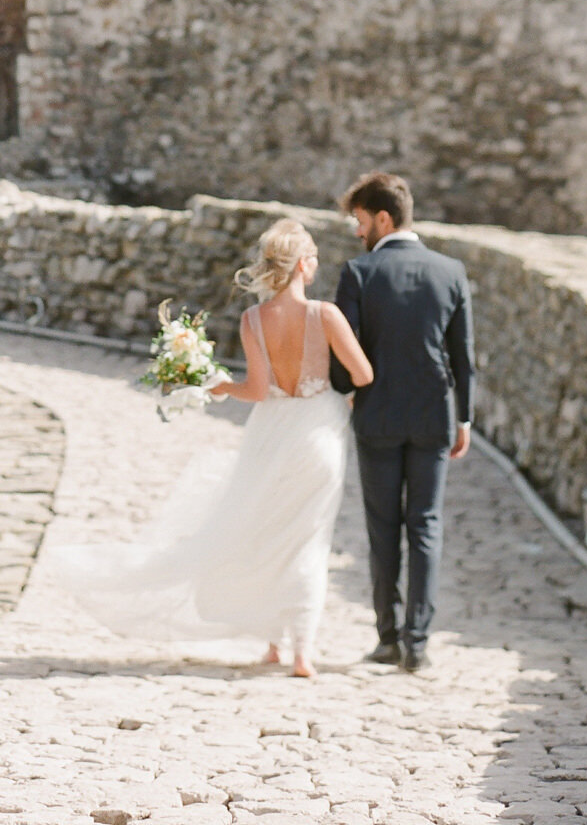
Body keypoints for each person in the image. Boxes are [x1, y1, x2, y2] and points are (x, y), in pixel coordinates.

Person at [47, 218, 373, 677]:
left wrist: (219, 386)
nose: (317, 263)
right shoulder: (325, 315)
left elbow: (257, 390)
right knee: (308, 537)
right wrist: (339, 402)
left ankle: (273, 644)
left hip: (271, 433)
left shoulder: (253, 320)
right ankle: (303, 650)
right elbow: (363, 375)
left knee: (264, 532)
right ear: (303, 264)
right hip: (317, 434)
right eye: (314, 256)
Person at [332, 172, 474, 673]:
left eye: (360, 220)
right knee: (426, 527)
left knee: (383, 527)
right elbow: (464, 356)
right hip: (434, 414)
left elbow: (341, 355)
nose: (357, 231)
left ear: (384, 218)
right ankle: (418, 643)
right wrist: (465, 417)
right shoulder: (451, 271)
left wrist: (346, 393)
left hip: (377, 416)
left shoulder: (359, 273)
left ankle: (387, 638)